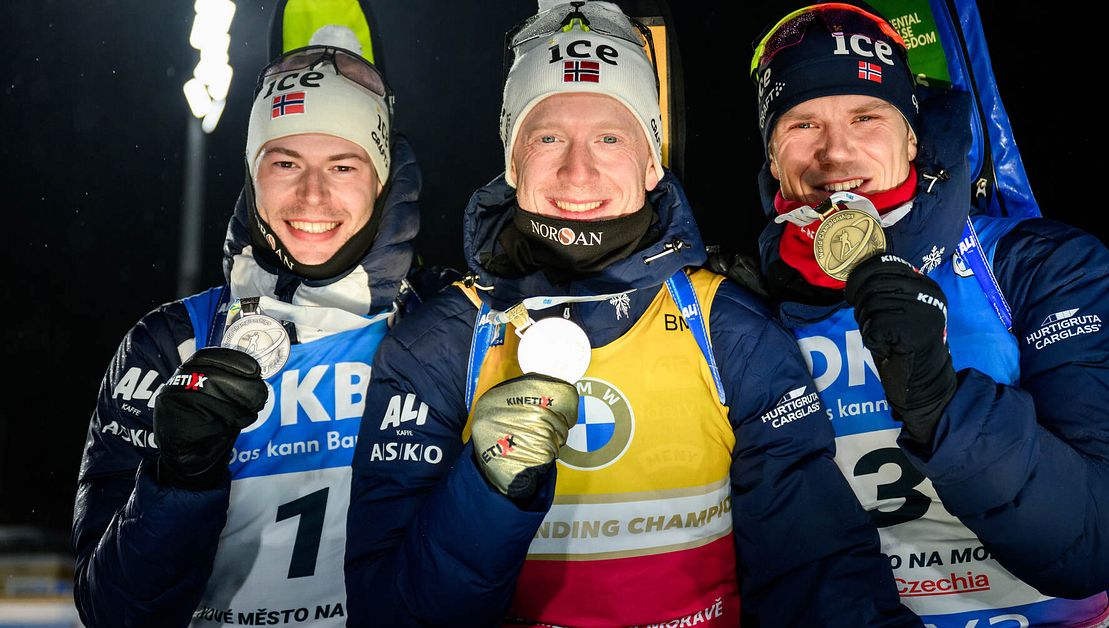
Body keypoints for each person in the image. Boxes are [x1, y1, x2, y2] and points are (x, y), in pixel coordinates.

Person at [346, 2, 918, 626]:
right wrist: (484, 488)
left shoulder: (729, 326)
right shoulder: (439, 341)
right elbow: (389, 610)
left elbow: (816, 575)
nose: (577, 170)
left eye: (611, 138)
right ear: (512, 161)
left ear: (652, 164)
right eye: (548, 137)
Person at [748, 2, 1109, 626]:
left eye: (867, 117)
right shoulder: (743, 302)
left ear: (912, 135)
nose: (835, 154)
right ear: (773, 154)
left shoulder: (1041, 266)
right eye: (803, 124)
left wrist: (940, 403)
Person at [71, 34, 425, 626]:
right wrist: (178, 476)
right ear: (252, 175)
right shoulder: (170, 341)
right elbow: (113, 610)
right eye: (285, 163)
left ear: (383, 179)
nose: (313, 195)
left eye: (343, 165)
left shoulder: (447, 323)